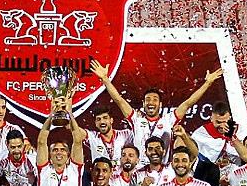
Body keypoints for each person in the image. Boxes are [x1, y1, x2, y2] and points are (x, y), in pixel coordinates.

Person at [91, 60, 223, 154]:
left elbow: (189, 102)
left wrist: (208, 83)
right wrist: (105, 79)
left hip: (163, 175)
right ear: (143, 104)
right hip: (139, 173)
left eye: (155, 100)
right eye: (147, 100)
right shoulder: (136, 119)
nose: (151, 102)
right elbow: (119, 100)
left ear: (160, 105)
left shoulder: (169, 120)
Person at [84, 106, 135, 171]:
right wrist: (71, 116)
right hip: (101, 176)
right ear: (96, 123)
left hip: (122, 176)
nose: (102, 121)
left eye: (105, 118)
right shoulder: (92, 137)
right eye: (98, 119)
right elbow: (78, 133)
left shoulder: (126, 134)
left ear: (111, 120)